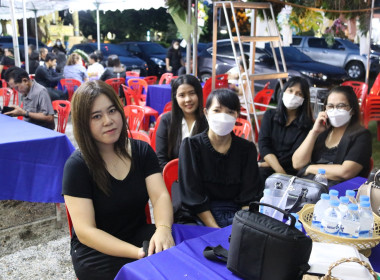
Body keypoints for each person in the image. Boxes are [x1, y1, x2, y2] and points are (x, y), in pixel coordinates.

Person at [62, 80, 174, 279]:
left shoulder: (141, 151)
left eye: (112, 111)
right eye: (96, 116)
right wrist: (138, 254)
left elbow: (160, 196)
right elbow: (86, 231)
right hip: (96, 251)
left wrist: (163, 229)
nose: (108, 120)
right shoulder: (77, 166)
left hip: (138, 234)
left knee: (178, 259)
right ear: (82, 123)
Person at [177, 88, 262, 228]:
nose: (223, 116)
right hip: (199, 216)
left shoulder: (247, 149)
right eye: (217, 110)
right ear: (206, 113)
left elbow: (249, 196)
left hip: (237, 216)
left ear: (237, 116)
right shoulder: (191, 146)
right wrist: (216, 230)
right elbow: (193, 196)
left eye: (230, 112)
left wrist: (241, 227)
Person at [292, 86, 372, 186]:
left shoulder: (361, 135)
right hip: (311, 188)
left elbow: (346, 172)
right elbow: (297, 164)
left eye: (341, 106)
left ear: (352, 110)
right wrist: (314, 132)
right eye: (330, 106)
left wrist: (309, 168)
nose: (335, 110)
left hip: (340, 194)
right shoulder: (323, 132)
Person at [258, 77, 314, 183]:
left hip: (290, 172)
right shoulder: (270, 115)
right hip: (269, 168)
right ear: (284, 92)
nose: (293, 96)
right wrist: (279, 171)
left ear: (304, 99)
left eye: (299, 94)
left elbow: (293, 156)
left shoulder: (308, 126)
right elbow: (263, 145)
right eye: (291, 91)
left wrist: (267, 164)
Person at [156, 75, 208, 169]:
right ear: (175, 97)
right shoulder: (167, 120)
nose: (188, 99)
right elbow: (160, 159)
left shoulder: (208, 121)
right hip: (173, 178)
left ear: (199, 94)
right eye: (182, 95)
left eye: (192, 93)